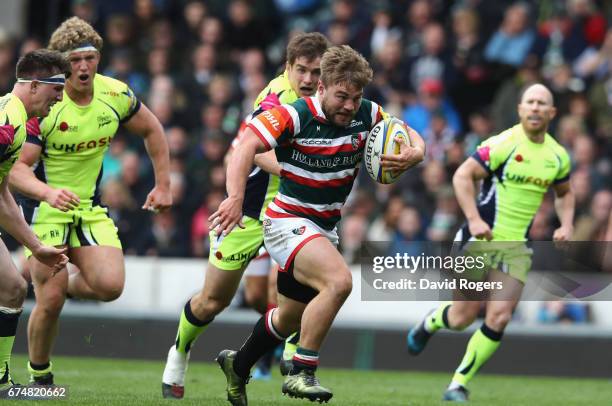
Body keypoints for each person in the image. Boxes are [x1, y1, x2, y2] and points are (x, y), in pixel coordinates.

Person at [212, 45, 425, 405]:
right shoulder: (294, 115)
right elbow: (245, 144)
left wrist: (415, 152)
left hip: (323, 227)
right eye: (341, 96)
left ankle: (239, 363)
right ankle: (301, 372)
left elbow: (407, 133)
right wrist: (234, 197)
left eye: (354, 98)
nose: (348, 105)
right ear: (322, 88)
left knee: (288, 319)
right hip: (286, 222)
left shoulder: (368, 113)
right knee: (339, 281)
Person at [161, 32, 330, 399]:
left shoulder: (332, 100)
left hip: (294, 212)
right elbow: (250, 150)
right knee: (213, 300)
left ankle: (290, 356)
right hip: (250, 211)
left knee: (317, 280)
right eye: (300, 70)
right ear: (288, 68)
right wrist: (295, 169)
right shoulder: (275, 100)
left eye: (315, 72)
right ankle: (179, 352)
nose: (307, 79)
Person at [9, 17, 172, 385]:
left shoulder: (115, 94)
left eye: (90, 58)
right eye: (75, 59)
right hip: (46, 210)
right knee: (49, 304)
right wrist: (48, 192)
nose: (83, 66)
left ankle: (59, 281)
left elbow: (152, 129)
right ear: (61, 64)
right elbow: (17, 169)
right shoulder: (46, 104)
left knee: (111, 286)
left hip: (88, 207)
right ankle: (40, 378)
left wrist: (163, 184)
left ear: (99, 58)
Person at [407, 83, 574, 402]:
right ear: (520, 109)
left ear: (552, 112)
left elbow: (566, 193)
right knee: (462, 318)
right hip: (478, 239)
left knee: (499, 316)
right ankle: (430, 322)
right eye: (530, 102)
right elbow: (461, 176)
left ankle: (458, 384)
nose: (536, 107)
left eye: (542, 103)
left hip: (516, 248)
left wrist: (566, 223)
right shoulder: (503, 144)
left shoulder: (557, 156)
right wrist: (473, 218)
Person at [0, 49, 70, 395]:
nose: (60, 98)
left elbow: (3, 198)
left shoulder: (16, 120)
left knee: (12, 288)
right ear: (33, 85)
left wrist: (37, 246)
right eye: (56, 90)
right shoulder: (8, 125)